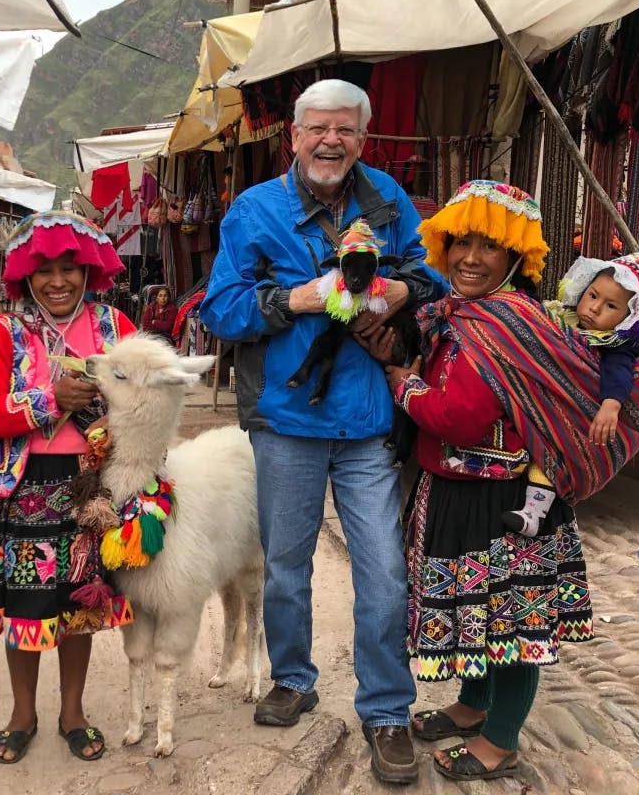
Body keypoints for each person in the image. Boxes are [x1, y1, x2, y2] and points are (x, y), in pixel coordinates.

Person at [199, 78, 448, 785]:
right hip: (286, 418)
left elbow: (426, 275)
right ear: (294, 137)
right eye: (318, 129)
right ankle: (294, 677)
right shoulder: (255, 210)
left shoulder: (389, 202)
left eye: (344, 129)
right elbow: (220, 309)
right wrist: (300, 298)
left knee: (385, 571)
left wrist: (399, 291)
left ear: (362, 139)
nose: (330, 141)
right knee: (284, 565)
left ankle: (388, 710)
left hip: (370, 418)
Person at [377, 180, 639, 781]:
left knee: (509, 624)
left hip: (504, 502)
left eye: (489, 246)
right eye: (459, 243)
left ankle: (501, 741)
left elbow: (455, 414)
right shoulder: (461, 313)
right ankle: (472, 706)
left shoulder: (505, 325)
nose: (470, 258)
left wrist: (402, 380)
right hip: (460, 491)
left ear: (517, 256)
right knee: (477, 615)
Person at [0, 210, 137, 765]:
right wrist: (50, 400)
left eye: (70, 267)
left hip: (89, 491)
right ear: (25, 272)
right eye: (44, 268)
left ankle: (72, 711)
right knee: (22, 609)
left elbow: (142, 401)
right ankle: (22, 713)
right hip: (20, 490)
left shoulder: (114, 328)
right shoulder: (3, 333)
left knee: (80, 606)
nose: (58, 280)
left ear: (88, 271)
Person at [502, 252, 639, 536]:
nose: (594, 309)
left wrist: (611, 406)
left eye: (611, 306)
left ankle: (532, 515)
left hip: (567, 413)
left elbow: (618, 374)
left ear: (629, 316)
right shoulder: (559, 315)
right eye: (593, 295)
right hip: (535, 399)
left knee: (549, 460)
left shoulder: (616, 344)